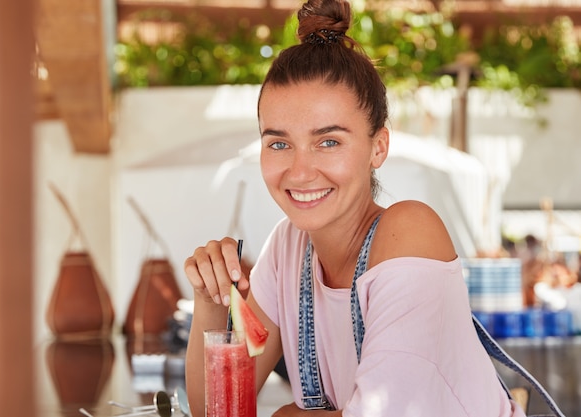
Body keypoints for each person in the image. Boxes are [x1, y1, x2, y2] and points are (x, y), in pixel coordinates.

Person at [183, 0, 526, 415]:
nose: (300, 171)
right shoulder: (287, 249)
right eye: (278, 143)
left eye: (329, 141)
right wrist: (211, 301)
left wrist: (281, 414)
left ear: (378, 146)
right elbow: (215, 411)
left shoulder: (410, 233)